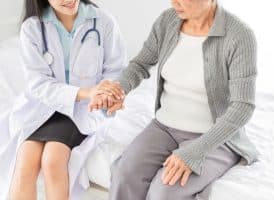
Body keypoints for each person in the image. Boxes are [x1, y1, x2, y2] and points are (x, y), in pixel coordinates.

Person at [89, 0, 260, 199]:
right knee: (124, 175)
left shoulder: (239, 36)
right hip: (164, 128)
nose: (174, 2)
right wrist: (118, 90)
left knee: (165, 191)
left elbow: (242, 107)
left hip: (215, 138)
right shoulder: (167, 21)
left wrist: (196, 151)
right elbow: (140, 64)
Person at [0, 0, 126, 199]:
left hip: (83, 109)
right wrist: (88, 92)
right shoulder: (32, 28)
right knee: (24, 161)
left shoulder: (103, 22)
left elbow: (115, 71)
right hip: (42, 107)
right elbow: (39, 84)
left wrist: (109, 94)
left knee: (53, 159)